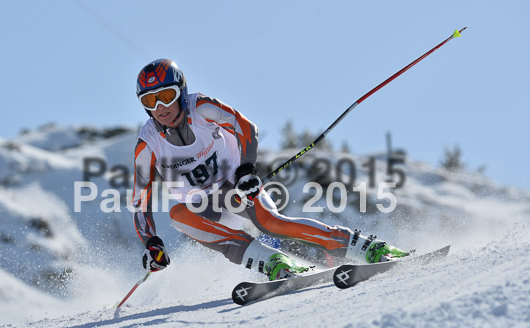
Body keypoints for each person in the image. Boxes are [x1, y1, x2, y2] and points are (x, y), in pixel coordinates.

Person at [133, 59, 408, 280]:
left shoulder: (201, 107)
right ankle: (273, 262)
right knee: (178, 215)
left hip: (235, 185)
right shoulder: (148, 144)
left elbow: (245, 127)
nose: (160, 107)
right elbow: (140, 200)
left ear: (180, 91)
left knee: (271, 223)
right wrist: (151, 242)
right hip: (205, 207)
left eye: (166, 96)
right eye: (149, 101)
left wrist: (246, 171)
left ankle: (365, 247)